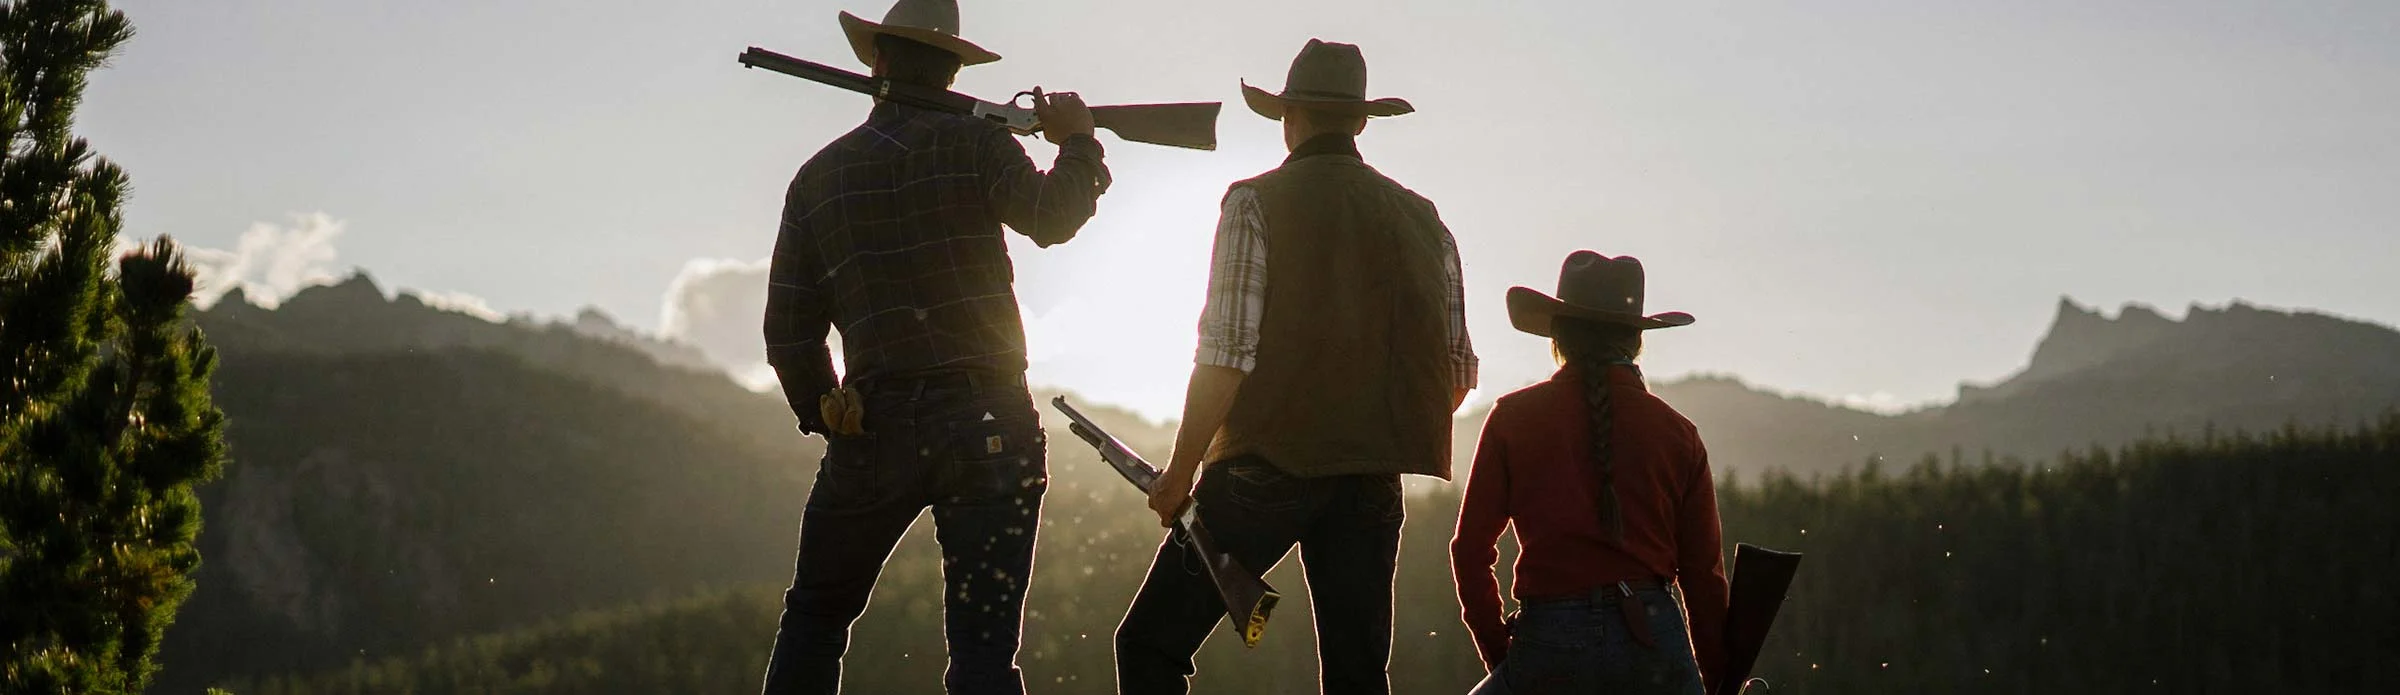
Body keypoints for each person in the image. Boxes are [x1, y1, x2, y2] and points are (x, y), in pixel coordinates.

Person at [755, 1, 1111, 693]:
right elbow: (1052, 214)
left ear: (879, 62)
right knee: (982, 652)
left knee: (815, 619)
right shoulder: (977, 143)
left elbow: (788, 331)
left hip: (872, 426)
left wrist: (824, 406)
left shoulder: (817, 178)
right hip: (988, 422)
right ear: (953, 73)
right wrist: (1080, 143)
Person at [1115, 38, 1479, 695]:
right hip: (1372, 480)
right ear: (1362, 122)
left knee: (1148, 645)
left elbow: (1225, 353)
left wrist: (1179, 473)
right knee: (1358, 677)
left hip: (1263, 470)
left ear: (1288, 117)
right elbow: (1452, 376)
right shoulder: (1429, 223)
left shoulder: (1254, 202)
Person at [1450, 252, 1730, 694]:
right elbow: (1703, 578)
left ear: (1557, 334)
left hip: (1549, 638)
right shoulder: (1679, 434)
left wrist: (1502, 654)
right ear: (1636, 340)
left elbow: (1469, 551)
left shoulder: (1512, 418)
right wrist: (1718, 677)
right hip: (1654, 640)